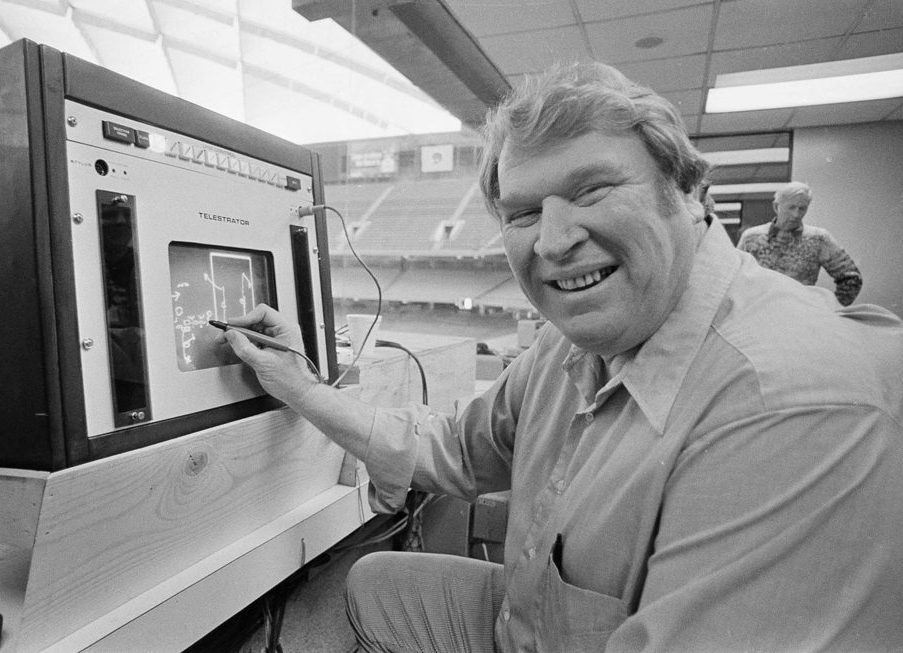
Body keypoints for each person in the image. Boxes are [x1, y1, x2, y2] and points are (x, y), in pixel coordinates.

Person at [219, 63, 903, 652]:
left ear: (690, 194)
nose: (550, 240)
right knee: (373, 582)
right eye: (521, 213)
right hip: (533, 624)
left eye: (590, 190)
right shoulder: (565, 344)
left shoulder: (784, 398)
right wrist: (302, 385)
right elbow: (454, 449)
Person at [736, 181, 862, 305]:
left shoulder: (818, 238)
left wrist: (832, 309)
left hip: (800, 314)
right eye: (791, 207)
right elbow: (736, 278)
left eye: (802, 209)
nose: (796, 214)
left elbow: (852, 277)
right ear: (776, 206)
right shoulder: (751, 237)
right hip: (759, 313)